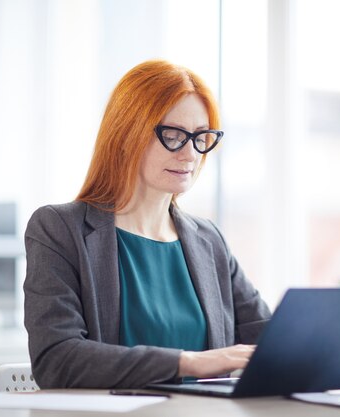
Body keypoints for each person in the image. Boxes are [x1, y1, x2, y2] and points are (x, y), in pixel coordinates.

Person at [23, 60, 271, 389]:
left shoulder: (208, 240)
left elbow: (270, 341)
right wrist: (190, 362)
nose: (190, 155)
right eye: (173, 135)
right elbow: (57, 360)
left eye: (201, 137)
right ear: (126, 135)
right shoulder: (58, 229)